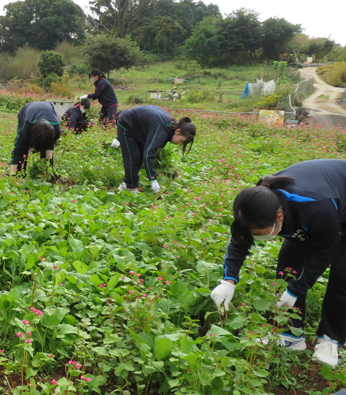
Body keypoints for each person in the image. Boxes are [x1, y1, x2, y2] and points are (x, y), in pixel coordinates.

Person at [210, 160, 346, 368]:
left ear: (279, 217)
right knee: (288, 266)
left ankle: (330, 339)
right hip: (315, 210)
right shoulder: (255, 205)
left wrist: (296, 289)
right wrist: (228, 280)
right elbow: (240, 240)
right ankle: (291, 335)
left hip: (336, 205)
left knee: (342, 275)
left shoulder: (315, 206)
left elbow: (324, 251)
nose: (256, 238)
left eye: (259, 234)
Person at [115, 105, 195, 193]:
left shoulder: (170, 126)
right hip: (127, 123)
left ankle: (126, 184)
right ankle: (132, 190)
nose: (179, 144)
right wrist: (153, 179)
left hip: (140, 128)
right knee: (132, 157)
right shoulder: (163, 128)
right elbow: (149, 154)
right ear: (177, 131)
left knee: (140, 156)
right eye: (181, 141)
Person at [10, 101, 62, 175]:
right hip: (28, 112)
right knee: (23, 147)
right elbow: (18, 149)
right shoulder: (27, 125)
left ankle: (44, 174)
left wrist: (48, 170)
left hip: (48, 111)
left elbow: (50, 147)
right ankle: (19, 174)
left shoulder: (56, 129)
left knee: (46, 146)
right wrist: (12, 174)